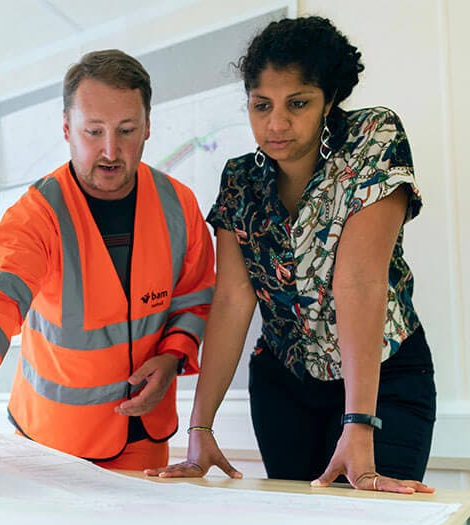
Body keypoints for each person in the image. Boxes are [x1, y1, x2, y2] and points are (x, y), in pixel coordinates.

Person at [0, 49, 216, 471]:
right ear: (67, 129)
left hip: (145, 435)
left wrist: (173, 355)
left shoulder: (179, 205)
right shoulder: (36, 214)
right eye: (93, 131)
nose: (110, 150)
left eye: (126, 130)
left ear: (147, 129)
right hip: (52, 443)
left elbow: (193, 298)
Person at [146, 16, 436, 494]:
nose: (276, 123)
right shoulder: (240, 180)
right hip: (284, 387)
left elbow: (358, 282)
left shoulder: (371, 139)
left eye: (297, 104)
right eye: (262, 106)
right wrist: (200, 429)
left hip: (383, 381)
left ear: (329, 100)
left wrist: (359, 422)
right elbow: (234, 302)